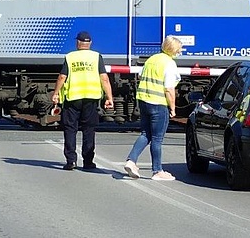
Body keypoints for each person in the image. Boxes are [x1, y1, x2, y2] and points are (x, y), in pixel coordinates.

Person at [51, 31, 114, 171]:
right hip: (91, 99)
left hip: (73, 98)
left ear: (78, 42)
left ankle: (71, 161)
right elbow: (104, 78)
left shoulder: (70, 57)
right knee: (89, 130)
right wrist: (109, 97)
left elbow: (62, 77)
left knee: (70, 129)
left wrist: (56, 93)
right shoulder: (96, 57)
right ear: (90, 43)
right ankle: (88, 162)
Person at [124, 36, 182, 181]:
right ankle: (157, 171)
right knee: (157, 138)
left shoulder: (151, 59)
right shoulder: (169, 64)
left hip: (144, 101)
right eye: (180, 49)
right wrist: (173, 108)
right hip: (158, 103)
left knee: (145, 134)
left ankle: (131, 161)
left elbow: (141, 75)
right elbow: (169, 89)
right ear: (174, 50)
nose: (181, 51)